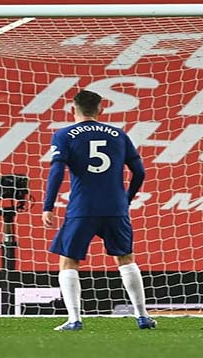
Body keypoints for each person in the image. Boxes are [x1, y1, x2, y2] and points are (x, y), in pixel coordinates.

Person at [41, 90, 155, 331]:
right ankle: (143, 316)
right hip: (115, 207)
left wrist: (48, 206)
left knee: (69, 260)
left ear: (73, 109)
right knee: (125, 258)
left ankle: (74, 319)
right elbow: (140, 172)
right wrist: (126, 199)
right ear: (100, 109)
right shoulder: (118, 134)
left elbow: (57, 171)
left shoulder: (64, 135)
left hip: (83, 207)